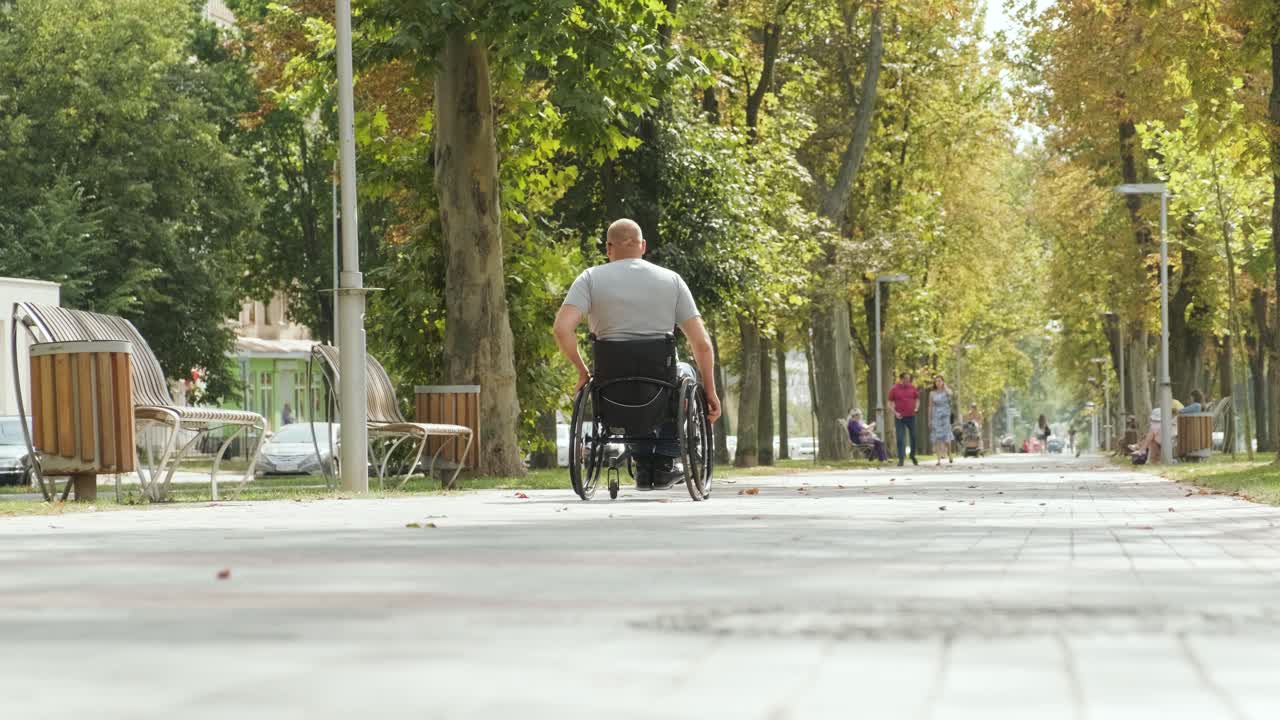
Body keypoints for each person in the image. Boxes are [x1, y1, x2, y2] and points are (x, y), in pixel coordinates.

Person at [553, 218, 721, 490]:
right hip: (660, 383)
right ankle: (664, 461)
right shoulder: (672, 281)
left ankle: (644, 464)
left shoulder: (590, 279)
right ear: (643, 246)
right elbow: (702, 344)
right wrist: (711, 392)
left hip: (612, 385)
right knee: (685, 372)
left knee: (625, 383)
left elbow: (562, 329)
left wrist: (582, 371)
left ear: (608, 248)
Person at [887, 372, 920, 467]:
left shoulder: (912, 387)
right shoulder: (894, 388)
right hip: (900, 417)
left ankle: (912, 455)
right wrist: (895, 413)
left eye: (909, 379)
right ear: (901, 379)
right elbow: (889, 403)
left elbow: (917, 399)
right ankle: (901, 459)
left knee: (914, 437)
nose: (907, 380)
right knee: (900, 438)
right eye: (905, 378)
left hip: (911, 416)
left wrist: (916, 408)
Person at [927, 375, 954, 465]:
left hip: (945, 415)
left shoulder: (946, 391)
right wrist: (929, 419)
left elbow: (950, 394)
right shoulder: (932, 393)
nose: (938, 383)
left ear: (943, 382)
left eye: (939, 381)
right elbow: (930, 406)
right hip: (936, 416)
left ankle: (949, 453)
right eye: (936, 381)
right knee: (937, 437)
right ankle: (938, 459)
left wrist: (945, 387)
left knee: (946, 437)